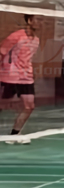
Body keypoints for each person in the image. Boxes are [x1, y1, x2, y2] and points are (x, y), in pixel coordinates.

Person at [1, 14, 44, 143]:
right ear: (30, 21)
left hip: (26, 78)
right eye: (38, 20)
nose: (41, 23)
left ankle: (14, 135)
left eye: (42, 20)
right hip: (9, 77)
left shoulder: (36, 40)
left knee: (29, 106)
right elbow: (1, 52)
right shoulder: (15, 36)